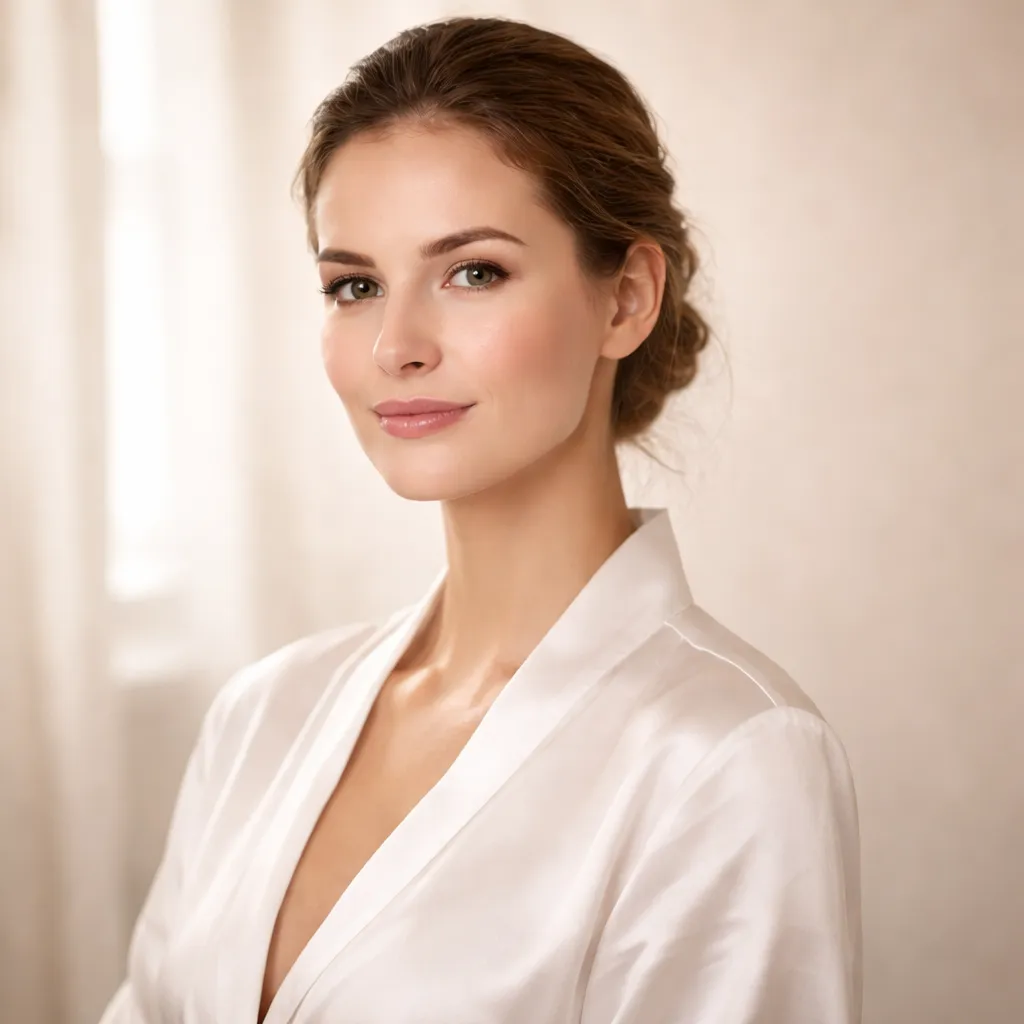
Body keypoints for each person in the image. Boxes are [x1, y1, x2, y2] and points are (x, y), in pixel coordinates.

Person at [100, 15, 861, 1024]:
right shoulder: (262, 714)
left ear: (625, 299)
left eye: (473, 272)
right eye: (355, 285)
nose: (396, 345)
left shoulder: (729, 756)